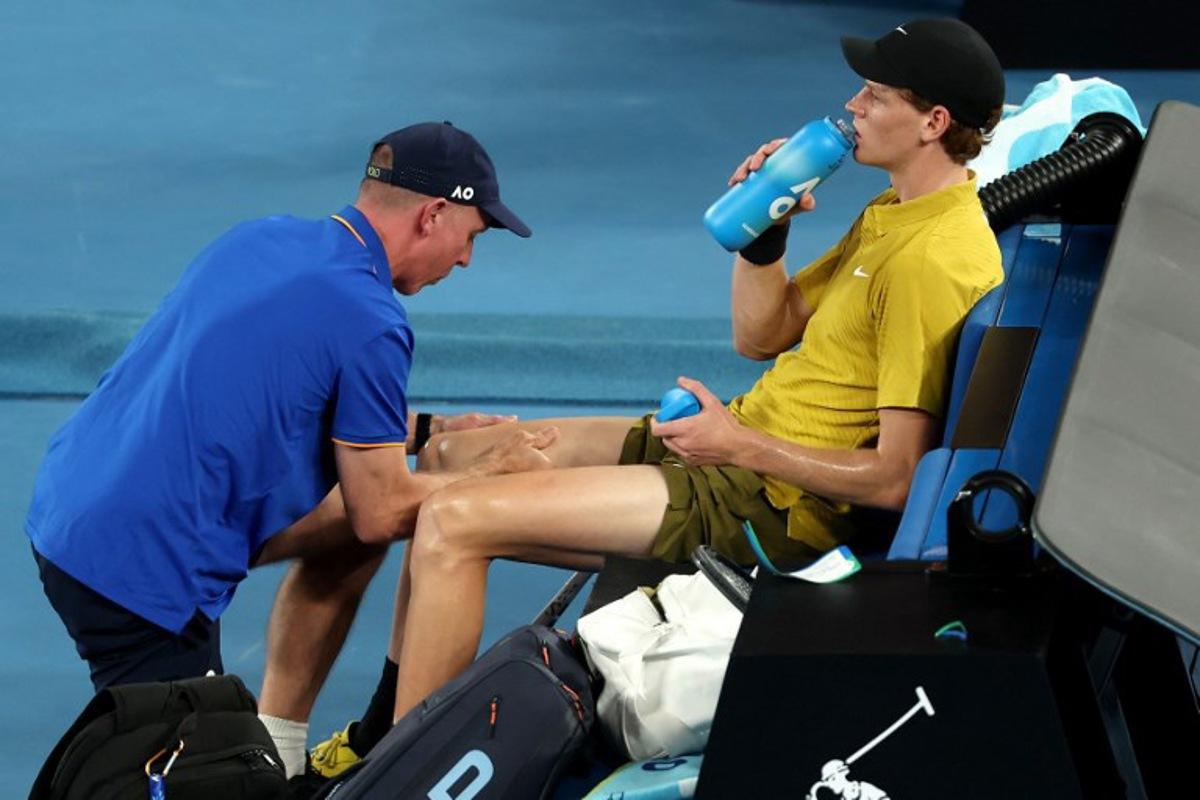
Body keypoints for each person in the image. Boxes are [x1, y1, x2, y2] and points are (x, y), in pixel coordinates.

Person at [309, 16, 1006, 779]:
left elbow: (898, 477)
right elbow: (761, 335)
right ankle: (384, 731)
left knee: (448, 521)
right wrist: (764, 228)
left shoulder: (932, 261)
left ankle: (410, 778)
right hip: (732, 444)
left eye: (875, 95)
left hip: (764, 502)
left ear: (933, 122)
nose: (854, 106)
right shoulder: (894, 214)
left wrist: (740, 446)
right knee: (450, 457)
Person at [25, 121, 553, 779]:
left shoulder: (263, 238)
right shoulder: (372, 318)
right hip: (139, 568)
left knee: (349, 536)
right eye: (472, 236)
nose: (468, 259)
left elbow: (292, 397)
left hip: (72, 503)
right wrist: (487, 472)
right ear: (433, 214)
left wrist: (433, 432)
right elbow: (381, 507)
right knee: (196, 783)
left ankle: (281, 743)